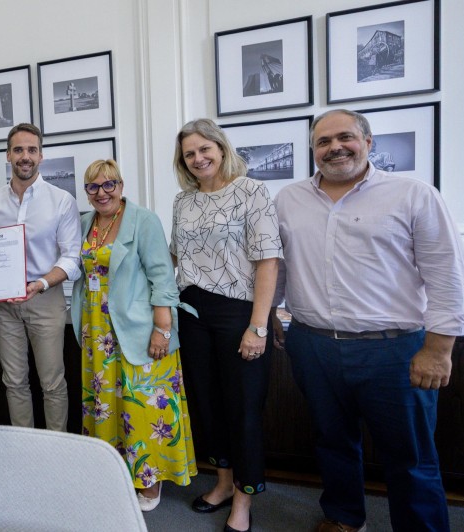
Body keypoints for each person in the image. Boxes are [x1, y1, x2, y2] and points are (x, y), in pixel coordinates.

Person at [272, 109, 464, 532]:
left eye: (344, 137)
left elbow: (447, 273)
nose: (334, 148)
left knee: (411, 456)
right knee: (332, 442)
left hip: (395, 349)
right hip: (313, 345)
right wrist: (272, 310)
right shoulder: (288, 199)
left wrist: (438, 350)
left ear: (368, 142)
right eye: (323, 142)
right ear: (313, 151)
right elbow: (280, 265)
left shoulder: (413, 195)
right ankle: (345, 519)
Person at [170, 119, 281, 532]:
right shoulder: (183, 201)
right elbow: (176, 259)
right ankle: (222, 483)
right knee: (209, 405)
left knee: (243, 410)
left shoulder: (252, 191)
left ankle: (244, 500)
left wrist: (259, 327)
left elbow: (267, 261)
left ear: (221, 147)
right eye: (189, 154)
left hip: (238, 313)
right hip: (191, 312)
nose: (198, 159)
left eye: (204, 149)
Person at [71, 159, 197, 512]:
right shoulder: (85, 223)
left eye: (109, 184)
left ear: (122, 186)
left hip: (140, 328)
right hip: (97, 331)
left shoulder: (143, 220)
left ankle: (150, 481)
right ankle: (114, 473)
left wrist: (162, 329)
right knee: (106, 406)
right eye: (93, 187)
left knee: (142, 406)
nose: (102, 193)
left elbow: (163, 277)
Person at [0, 123, 82, 431]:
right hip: (4, 305)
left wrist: (41, 283)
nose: (25, 156)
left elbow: (72, 258)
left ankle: (56, 445)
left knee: (52, 381)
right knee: (14, 380)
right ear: (8, 155)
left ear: (41, 156)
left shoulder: (62, 201)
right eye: (18, 150)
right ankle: (24, 446)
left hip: (45, 299)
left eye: (31, 150)